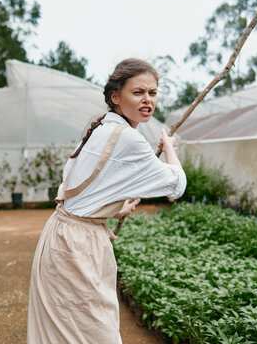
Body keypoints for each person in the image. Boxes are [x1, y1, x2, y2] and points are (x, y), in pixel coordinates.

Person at [27, 58, 187, 343]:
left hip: (62, 234)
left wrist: (112, 208)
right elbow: (176, 185)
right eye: (138, 92)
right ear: (116, 96)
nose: (147, 100)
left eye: (152, 92)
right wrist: (170, 148)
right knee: (94, 332)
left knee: (68, 330)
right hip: (77, 244)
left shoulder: (102, 128)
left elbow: (76, 186)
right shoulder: (128, 138)